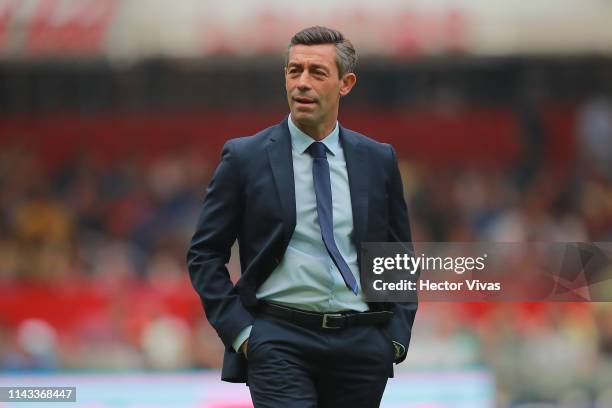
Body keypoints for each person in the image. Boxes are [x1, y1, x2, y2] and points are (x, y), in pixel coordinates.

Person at [187, 26, 417, 408]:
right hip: (279, 340)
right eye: (294, 71)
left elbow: (397, 255)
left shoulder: (378, 160)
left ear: (346, 83)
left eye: (317, 72)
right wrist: (242, 333)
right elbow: (204, 254)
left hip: (361, 344)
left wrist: (394, 337)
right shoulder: (245, 158)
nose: (302, 83)